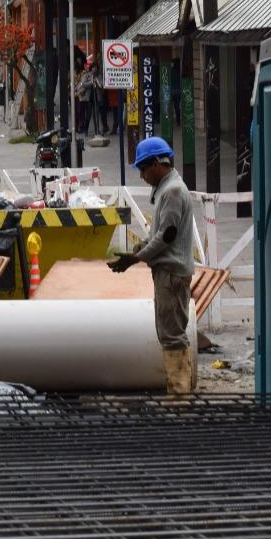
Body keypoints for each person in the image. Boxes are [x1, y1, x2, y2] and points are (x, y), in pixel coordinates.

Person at [109, 137, 196, 394]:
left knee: (171, 335)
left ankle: (179, 396)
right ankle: (181, 391)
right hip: (169, 272)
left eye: (143, 170)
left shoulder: (172, 192)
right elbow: (160, 231)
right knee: (170, 333)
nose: (142, 176)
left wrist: (136, 259)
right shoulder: (167, 189)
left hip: (171, 273)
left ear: (158, 163)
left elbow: (166, 236)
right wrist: (139, 249)